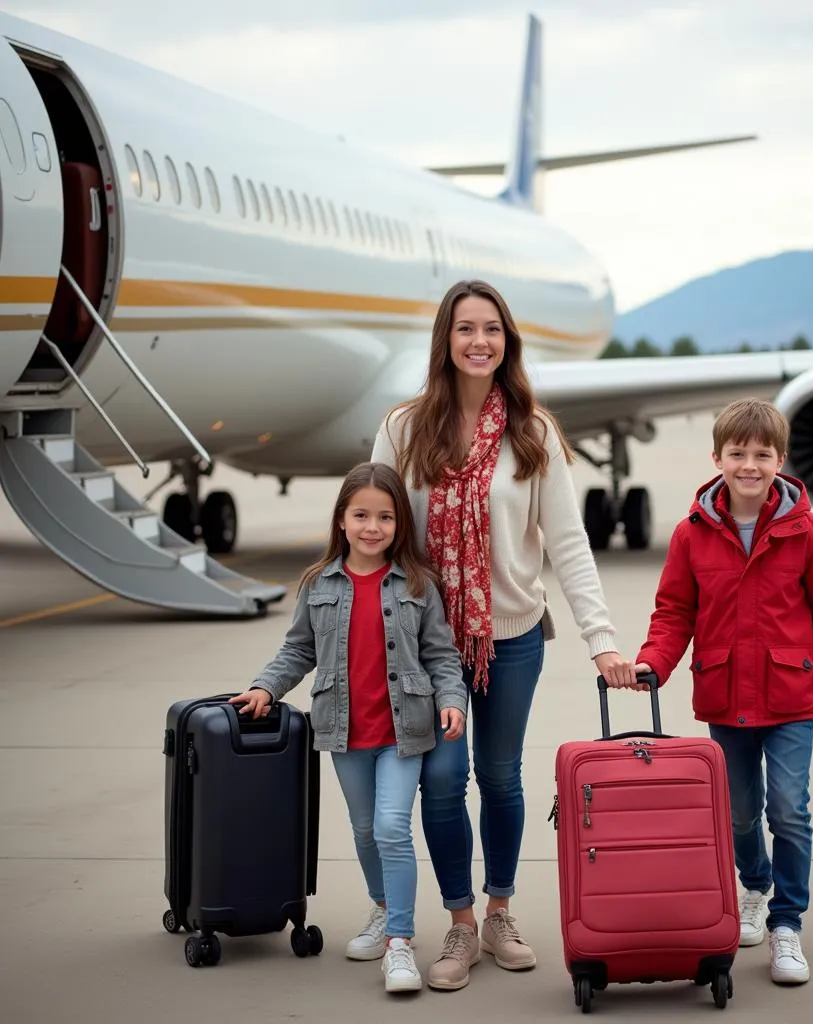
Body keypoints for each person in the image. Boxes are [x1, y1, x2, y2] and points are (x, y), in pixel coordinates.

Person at [371, 278, 635, 991]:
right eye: (465, 329)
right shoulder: (402, 429)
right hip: (430, 641)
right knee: (444, 781)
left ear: (507, 340)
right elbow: (375, 532)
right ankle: (459, 924)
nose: (479, 341)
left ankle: (499, 911)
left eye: (491, 328)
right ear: (445, 340)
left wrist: (601, 639)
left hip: (513, 636)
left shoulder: (532, 432)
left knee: (501, 777)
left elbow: (569, 544)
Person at [629, 397, 813, 986]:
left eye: (762, 454)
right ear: (718, 458)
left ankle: (788, 923)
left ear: (781, 460)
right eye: (738, 453)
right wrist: (654, 661)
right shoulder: (691, 533)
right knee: (736, 814)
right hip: (725, 694)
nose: (749, 465)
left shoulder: (809, 533)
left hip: (792, 696)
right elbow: (675, 610)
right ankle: (754, 887)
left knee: (789, 808)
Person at [229, 462, 468, 995]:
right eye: (361, 515)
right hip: (342, 731)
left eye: (385, 517)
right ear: (341, 519)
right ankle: (383, 909)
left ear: (399, 525)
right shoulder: (319, 583)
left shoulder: (417, 583)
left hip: (404, 731)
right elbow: (298, 649)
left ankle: (400, 944)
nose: (372, 527)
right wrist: (266, 687)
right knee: (364, 832)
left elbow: (442, 655)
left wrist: (453, 702)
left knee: (390, 829)